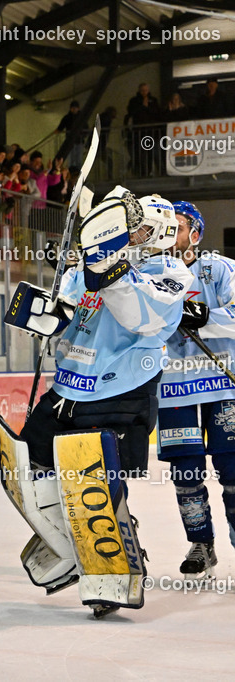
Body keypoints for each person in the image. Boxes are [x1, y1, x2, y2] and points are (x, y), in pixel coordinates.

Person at [1, 188, 192, 617]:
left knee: (95, 489)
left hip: (119, 392)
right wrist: (47, 315)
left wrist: (105, 264)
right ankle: (71, 547)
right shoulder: (95, 263)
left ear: (161, 234)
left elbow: (138, 315)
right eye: (129, 226)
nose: (133, 234)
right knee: (25, 471)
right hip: (67, 389)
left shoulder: (170, 272)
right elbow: (68, 310)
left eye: (141, 228)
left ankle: (114, 569)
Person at [156, 201, 235, 579]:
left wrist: (206, 317)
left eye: (178, 226)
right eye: (165, 227)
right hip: (174, 387)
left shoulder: (218, 268)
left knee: (233, 469)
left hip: (222, 384)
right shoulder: (150, 273)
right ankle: (201, 543)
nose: (170, 233)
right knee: (185, 473)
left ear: (197, 233)